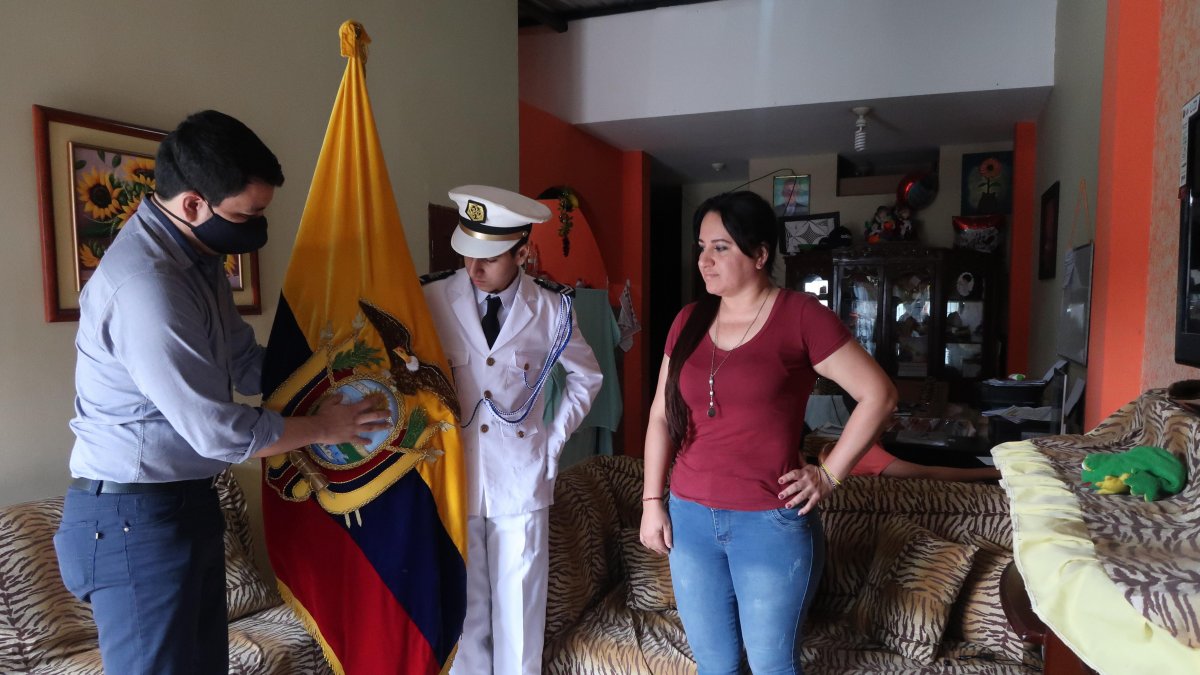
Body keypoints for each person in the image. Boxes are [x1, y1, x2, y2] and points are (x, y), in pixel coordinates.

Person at [54, 110, 391, 674]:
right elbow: (216, 432)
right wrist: (326, 429)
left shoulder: (198, 260)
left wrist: (337, 374)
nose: (255, 228)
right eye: (248, 214)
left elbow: (244, 362)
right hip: (131, 517)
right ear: (193, 204)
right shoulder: (148, 286)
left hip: (182, 503)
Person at [639, 190, 896, 674]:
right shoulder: (688, 321)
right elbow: (659, 416)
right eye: (701, 246)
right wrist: (653, 502)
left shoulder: (800, 316)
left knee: (772, 665)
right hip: (689, 520)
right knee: (714, 665)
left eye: (721, 247)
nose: (704, 260)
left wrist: (829, 475)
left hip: (769, 525)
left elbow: (878, 395)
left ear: (759, 255)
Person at [422, 185, 602, 675]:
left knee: (520, 606)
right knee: (465, 607)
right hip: (454, 471)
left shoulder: (552, 308)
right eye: (467, 254)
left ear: (523, 251)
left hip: (521, 473)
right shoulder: (431, 297)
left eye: (489, 258)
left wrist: (553, 438)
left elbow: (588, 377)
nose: (474, 269)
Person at [821, 441, 1001, 482]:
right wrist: (995, 472)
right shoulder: (860, 451)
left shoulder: (834, 450)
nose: (895, 409)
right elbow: (927, 473)